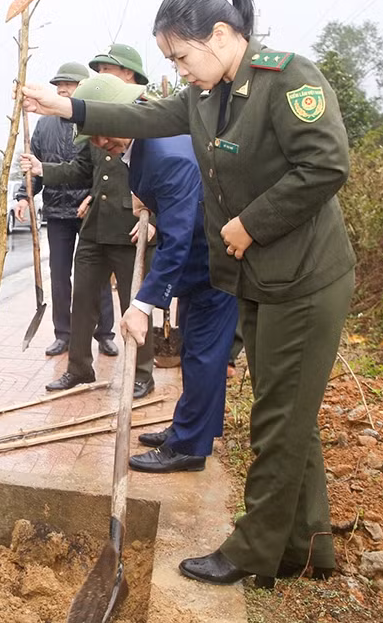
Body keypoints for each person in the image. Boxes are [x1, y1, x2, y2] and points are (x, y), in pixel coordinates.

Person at [22, 0, 355, 586]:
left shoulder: (289, 80)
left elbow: (328, 164)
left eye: (180, 55)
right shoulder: (205, 97)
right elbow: (141, 117)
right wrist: (66, 106)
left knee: (277, 420)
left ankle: (251, 550)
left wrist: (248, 226)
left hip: (304, 279)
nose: (177, 68)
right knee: (292, 414)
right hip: (261, 279)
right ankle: (307, 548)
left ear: (222, 35)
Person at [103, 120, 238, 474]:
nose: (102, 141)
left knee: (204, 356)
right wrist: (152, 210)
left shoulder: (165, 156)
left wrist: (142, 306)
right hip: (202, 259)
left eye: (106, 131)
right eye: (94, 136)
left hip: (215, 266)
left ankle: (189, 447)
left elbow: (177, 241)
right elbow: (183, 205)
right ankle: (187, 429)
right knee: (194, 350)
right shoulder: (146, 145)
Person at [19, 73, 154, 399]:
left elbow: (167, 180)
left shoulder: (145, 124)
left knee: (134, 305)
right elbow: (80, 168)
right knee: (82, 301)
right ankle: (78, 368)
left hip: (131, 230)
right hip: (94, 230)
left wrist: (155, 220)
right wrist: (42, 169)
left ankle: (142, 373)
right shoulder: (96, 130)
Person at [14, 62, 117, 358]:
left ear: (82, 87)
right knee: (59, 275)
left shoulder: (94, 120)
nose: (62, 88)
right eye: (59, 84)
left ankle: (104, 333)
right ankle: (63, 334)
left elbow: (100, 168)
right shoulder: (44, 125)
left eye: (69, 84)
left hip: (89, 210)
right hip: (57, 213)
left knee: (96, 274)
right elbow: (33, 164)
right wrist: (24, 196)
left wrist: (96, 197)